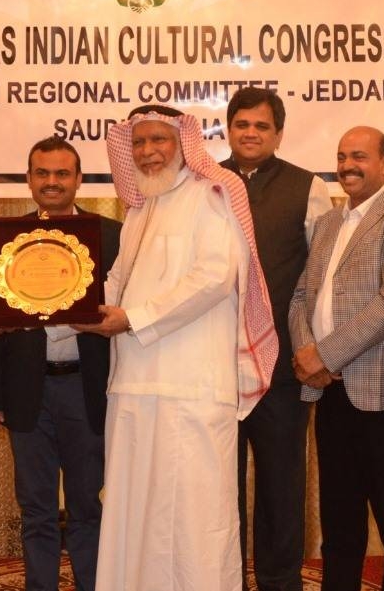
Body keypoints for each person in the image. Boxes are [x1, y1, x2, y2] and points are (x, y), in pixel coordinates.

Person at [75, 105, 278, 591]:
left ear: (183, 144)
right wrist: (68, 308)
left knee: (195, 519)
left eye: (158, 141)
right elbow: (116, 282)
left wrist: (133, 319)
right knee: (135, 513)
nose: (147, 153)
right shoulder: (139, 212)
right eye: (139, 143)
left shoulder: (212, 194)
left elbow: (213, 277)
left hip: (193, 386)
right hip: (133, 386)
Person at [0, 136, 121, 591]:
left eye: (62, 174)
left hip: (87, 387)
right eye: (43, 174)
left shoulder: (111, 234)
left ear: (79, 179)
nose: (52, 182)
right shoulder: (9, 236)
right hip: (26, 391)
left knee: (86, 506)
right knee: (35, 508)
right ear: (30, 179)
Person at [288, 126, 384, 591]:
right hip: (330, 392)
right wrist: (309, 355)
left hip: (382, 393)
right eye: (343, 156)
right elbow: (301, 295)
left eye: (361, 156)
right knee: (339, 517)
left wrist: (324, 354)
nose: (349, 165)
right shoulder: (329, 222)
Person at [219, 86, 332, 591]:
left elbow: (320, 276)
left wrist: (316, 350)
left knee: (282, 488)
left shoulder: (308, 188)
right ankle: (223, 580)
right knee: (219, 490)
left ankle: (279, 582)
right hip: (214, 367)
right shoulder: (203, 183)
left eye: (262, 126)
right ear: (228, 128)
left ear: (279, 133)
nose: (251, 133)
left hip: (281, 369)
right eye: (242, 124)